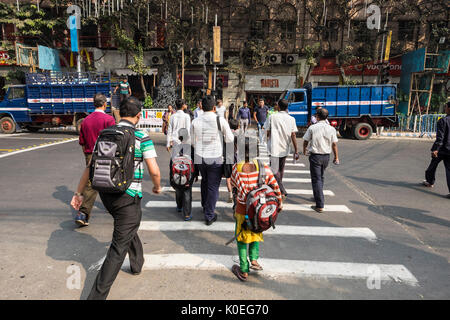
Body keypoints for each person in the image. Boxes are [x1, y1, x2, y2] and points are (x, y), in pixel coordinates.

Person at [70, 97, 162, 300]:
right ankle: (96, 297)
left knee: (127, 227)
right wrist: (157, 186)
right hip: (127, 197)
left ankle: (137, 264)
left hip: (106, 193)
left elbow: (90, 166)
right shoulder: (140, 136)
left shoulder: (105, 134)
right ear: (139, 115)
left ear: (119, 113)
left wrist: (78, 193)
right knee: (117, 248)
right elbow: (154, 170)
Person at [230, 136, 282, 281]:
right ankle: (254, 260)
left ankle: (244, 269)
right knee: (256, 229)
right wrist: (279, 201)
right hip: (260, 208)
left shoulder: (236, 168)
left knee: (241, 238)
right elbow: (274, 184)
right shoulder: (262, 166)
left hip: (242, 208)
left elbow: (234, 185)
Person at [191, 95, 234, 225]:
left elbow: (191, 141)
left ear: (201, 107)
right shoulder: (220, 120)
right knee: (213, 187)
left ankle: (205, 206)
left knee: (205, 181)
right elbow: (230, 139)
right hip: (215, 158)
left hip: (200, 157)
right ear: (214, 107)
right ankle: (209, 215)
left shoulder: (195, 121)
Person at [75, 93, 116, 227]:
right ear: (105, 104)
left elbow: (82, 142)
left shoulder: (85, 121)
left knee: (91, 183)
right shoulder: (109, 120)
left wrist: (88, 157)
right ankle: (85, 212)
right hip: (106, 155)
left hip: (90, 154)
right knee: (110, 180)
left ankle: (83, 214)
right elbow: (114, 140)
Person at [303, 108, 339, 213]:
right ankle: (317, 196)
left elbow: (305, 141)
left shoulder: (312, 128)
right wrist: (336, 157)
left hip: (315, 156)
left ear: (317, 117)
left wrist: (304, 150)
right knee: (321, 177)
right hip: (326, 157)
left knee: (316, 179)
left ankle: (319, 205)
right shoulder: (331, 129)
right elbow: (334, 144)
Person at [265, 99, 300, 199]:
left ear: (278, 107)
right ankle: (279, 188)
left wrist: (267, 137)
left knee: (274, 170)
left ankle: (280, 189)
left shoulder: (272, 117)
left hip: (274, 147)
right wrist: (296, 150)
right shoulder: (291, 119)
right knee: (281, 169)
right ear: (287, 107)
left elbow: (267, 131)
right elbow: (293, 135)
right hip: (285, 147)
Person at [170, 129, 198, 221]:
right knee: (187, 192)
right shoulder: (191, 148)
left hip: (177, 174)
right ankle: (186, 214)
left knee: (178, 189)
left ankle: (179, 206)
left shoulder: (175, 147)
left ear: (179, 137)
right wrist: (196, 174)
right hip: (188, 175)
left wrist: (171, 175)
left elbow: (171, 162)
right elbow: (195, 163)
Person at [424, 101, 450, 197]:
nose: (445, 108)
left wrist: (436, 149)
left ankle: (430, 181)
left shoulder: (443, 121)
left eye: (446, 107)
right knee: (449, 170)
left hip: (442, 149)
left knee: (432, 166)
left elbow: (440, 137)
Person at [226, 119, 240, 203]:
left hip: (228, 156)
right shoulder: (239, 134)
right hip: (237, 157)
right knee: (237, 175)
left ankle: (230, 194)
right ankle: (237, 193)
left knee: (228, 177)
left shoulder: (227, 134)